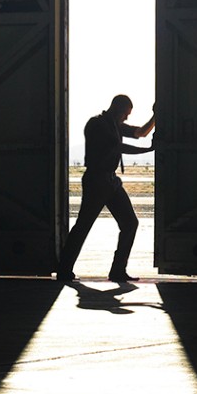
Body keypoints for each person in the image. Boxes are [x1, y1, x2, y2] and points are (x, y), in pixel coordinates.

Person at [58, 94, 155, 283]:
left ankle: (117, 271)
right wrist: (148, 150)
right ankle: (65, 269)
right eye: (126, 114)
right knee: (84, 225)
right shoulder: (97, 125)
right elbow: (118, 147)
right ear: (118, 109)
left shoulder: (113, 125)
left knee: (129, 223)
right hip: (97, 180)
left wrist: (155, 116)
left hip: (109, 180)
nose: (127, 118)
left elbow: (140, 133)